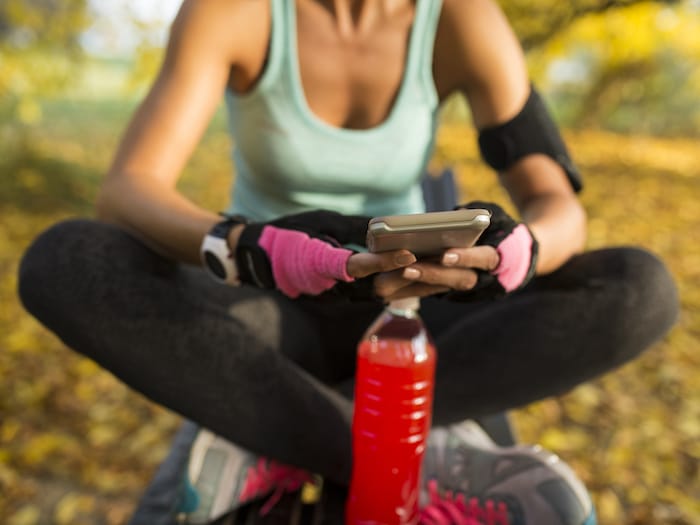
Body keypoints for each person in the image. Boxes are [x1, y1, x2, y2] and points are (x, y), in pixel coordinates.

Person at [17, 0, 678, 524]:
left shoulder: (461, 19)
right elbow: (128, 187)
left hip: (417, 310)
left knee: (638, 287)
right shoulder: (235, 11)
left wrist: (521, 251)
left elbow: (556, 201)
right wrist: (250, 247)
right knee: (66, 258)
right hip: (271, 302)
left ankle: (284, 434)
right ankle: (413, 457)